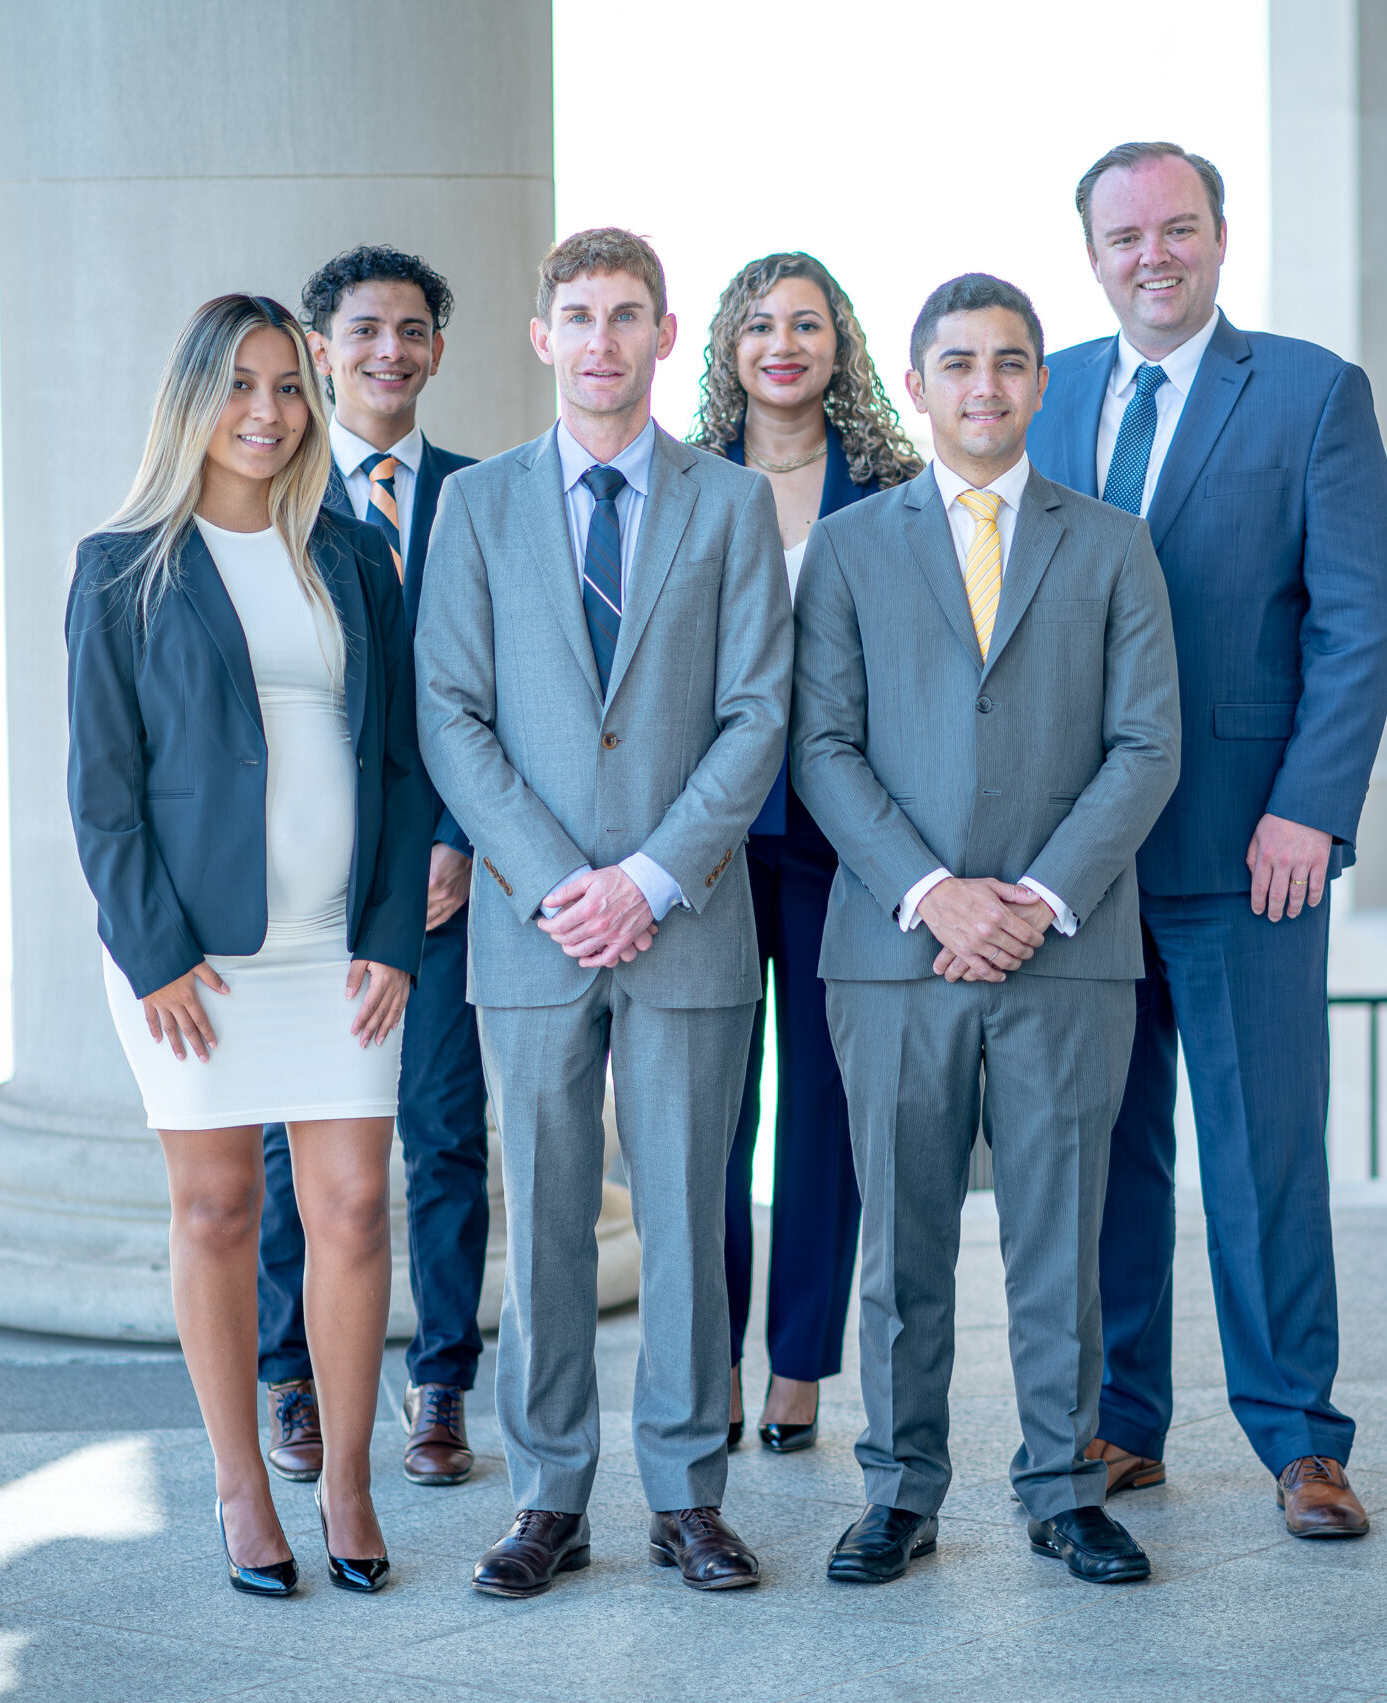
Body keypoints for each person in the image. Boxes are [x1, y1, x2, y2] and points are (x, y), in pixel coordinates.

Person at [1024, 142, 1387, 1538]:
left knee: (1264, 1152)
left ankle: (1302, 1437)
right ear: (1093, 254)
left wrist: (1311, 803)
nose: (1152, 254)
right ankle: (1129, 1418)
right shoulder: (1046, 389)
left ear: (1222, 237)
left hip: (1253, 853)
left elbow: (1360, 617)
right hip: (1083, 864)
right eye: (1125, 235)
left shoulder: (1311, 392)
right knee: (1108, 1153)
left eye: (1177, 228)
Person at [415, 228, 792, 1598]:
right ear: (540, 334)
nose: (601, 340)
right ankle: (548, 1496)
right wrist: (553, 876)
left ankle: (689, 1495)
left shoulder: (730, 504)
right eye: (577, 314)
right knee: (549, 1210)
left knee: (690, 1214)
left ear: (664, 333)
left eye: (626, 315)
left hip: (687, 917)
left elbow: (759, 710)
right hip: (531, 925)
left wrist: (649, 876)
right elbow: (449, 711)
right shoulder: (479, 509)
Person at [793, 274, 1181, 1587]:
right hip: (893, 949)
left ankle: (1067, 1487)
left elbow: (1146, 744)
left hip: (1068, 946)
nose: (985, 385)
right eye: (957, 363)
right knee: (899, 1236)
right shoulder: (849, 547)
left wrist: (1034, 898)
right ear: (916, 383)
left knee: (1056, 1232)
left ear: (1041, 383)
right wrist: (934, 891)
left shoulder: (1113, 543)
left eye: (1010, 362)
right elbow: (823, 744)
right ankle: (900, 1490)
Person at [68, 293, 432, 1596]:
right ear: (192, 402)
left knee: (348, 1208)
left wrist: (393, 929)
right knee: (219, 1208)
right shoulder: (123, 565)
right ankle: (238, 1483)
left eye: (290, 386)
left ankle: (345, 1478)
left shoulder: (348, 555)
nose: (270, 412)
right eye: (241, 386)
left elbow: (397, 756)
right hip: (196, 957)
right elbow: (103, 787)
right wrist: (153, 948)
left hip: (337, 949)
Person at [253, 246, 488, 1496]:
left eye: (412, 329)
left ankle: (439, 1381)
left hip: (448, 874)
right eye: (363, 330)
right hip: (308, 884)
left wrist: (459, 839)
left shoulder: (484, 496)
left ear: (438, 350)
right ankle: (288, 1377)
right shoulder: (275, 494)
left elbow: (494, 688)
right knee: (296, 1144)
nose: (388, 349)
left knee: (448, 1130)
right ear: (322, 346)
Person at [688, 252, 923, 1453]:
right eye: (760, 323)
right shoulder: (684, 484)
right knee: (716, 1109)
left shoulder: (891, 487)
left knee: (827, 1110)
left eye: (809, 324)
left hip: (847, 842)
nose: (783, 342)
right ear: (728, 345)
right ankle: (714, 1359)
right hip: (714, 844)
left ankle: (798, 1366)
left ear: (842, 347)